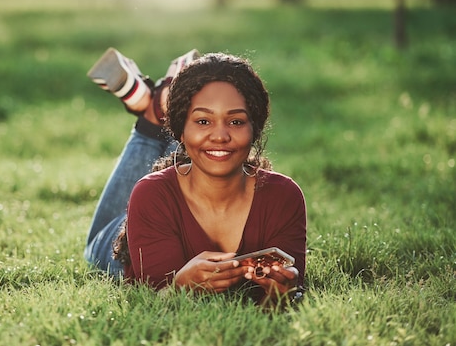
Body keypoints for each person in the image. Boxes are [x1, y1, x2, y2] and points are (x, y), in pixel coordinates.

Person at [84, 50, 306, 307]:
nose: (221, 135)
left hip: (180, 180)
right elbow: (151, 303)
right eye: (203, 119)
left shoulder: (284, 196)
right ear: (179, 131)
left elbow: (288, 295)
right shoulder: (150, 195)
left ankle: (160, 104)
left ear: (254, 129)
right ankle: (156, 113)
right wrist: (179, 287)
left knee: (205, 147)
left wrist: (282, 294)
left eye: (236, 121)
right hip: (128, 230)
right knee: (94, 245)